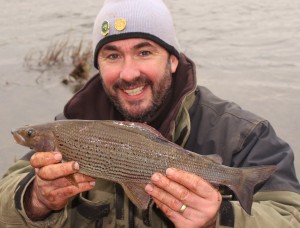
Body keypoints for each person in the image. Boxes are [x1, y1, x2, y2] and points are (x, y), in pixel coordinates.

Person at [1, 0, 300, 227]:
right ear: (98, 65)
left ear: (173, 60)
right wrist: (36, 199)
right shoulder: (68, 127)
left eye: (144, 52)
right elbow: (6, 196)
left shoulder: (244, 134)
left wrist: (220, 217)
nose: (129, 72)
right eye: (113, 55)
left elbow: (291, 216)